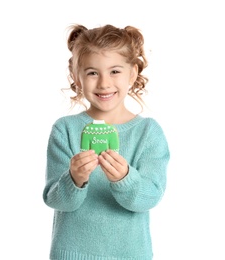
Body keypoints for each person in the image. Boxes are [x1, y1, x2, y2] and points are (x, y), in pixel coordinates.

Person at [43, 24, 170, 260]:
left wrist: (125, 179)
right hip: (71, 253)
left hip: (130, 254)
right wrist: (74, 179)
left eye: (114, 71)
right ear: (76, 76)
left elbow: (150, 197)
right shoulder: (65, 130)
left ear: (132, 73)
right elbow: (54, 198)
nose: (103, 83)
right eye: (92, 72)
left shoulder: (148, 133)